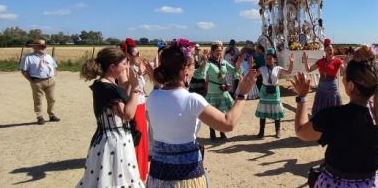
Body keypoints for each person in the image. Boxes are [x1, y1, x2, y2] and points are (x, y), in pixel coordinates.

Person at [145, 40, 257, 188]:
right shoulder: (192, 100)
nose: (194, 69)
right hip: (186, 176)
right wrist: (242, 95)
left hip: (158, 174)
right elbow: (227, 123)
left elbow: (152, 118)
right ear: (184, 69)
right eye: (192, 66)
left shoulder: (152, 97)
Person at [291, 45, 378, 188]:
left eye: (345, 77)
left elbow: (302, 131)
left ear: (351, 86)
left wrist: (302, 97)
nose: (343, 79)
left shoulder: (334, 116)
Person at [76, 47, 144, 188]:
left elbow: (121, 96)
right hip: (114, 142)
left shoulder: (106, 84)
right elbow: (127, 114)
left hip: (112, 138)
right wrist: (136, 88)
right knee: (115, 181)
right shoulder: (106, 88)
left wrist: (131, 83)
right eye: (124, 64)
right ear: (113, 67)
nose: (127, 67)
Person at [117, 38, 149, 181]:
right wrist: (140, 75)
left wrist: (143, 73)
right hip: (134, 107)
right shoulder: (125, 71)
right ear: (128, 56)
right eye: (137, 54)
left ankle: (141, 172)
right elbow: (125, 90)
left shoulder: (135, 68)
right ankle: (134, 174)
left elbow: (141, 87)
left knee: (142, 139)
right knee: (136, 138)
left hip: (141, 105)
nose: (139, 56)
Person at [204, 41, 243, 141]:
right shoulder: (208, 63)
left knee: (222, 113)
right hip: (213, 91)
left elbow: (234, 71)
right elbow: (202, 73)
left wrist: (239, 63)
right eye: (217, 50)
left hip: (223, 90)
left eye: (221, 50)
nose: (219, 52)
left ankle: (222, 132)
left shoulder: (224, 62)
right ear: (212, 51)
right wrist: (204, 61)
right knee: (212, 114)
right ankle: (212, 133)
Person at [255, 48, 294, 138]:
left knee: (276, 111)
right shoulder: (262, 68)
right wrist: (250, 67)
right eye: (267, 58)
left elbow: (288, 72)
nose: (268, 60)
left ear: (274, 59)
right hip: (265, 92)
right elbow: (254, 75)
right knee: (263, 111)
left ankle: (277, 131)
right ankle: (261, 132)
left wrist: (291, 63)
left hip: (275, 92)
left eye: (270, 58)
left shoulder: (278, 68)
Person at [20, 39, 60, 125]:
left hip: (50, 81)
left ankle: (52, 115)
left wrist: (53, 76)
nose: (43, 48)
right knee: (38, 100)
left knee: (52, 99)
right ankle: (40, 116)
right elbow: (23, 71)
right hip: (37, 81)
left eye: (44, 46)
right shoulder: (28, 58)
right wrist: (31, 80)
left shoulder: (49, 57)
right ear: (34, 47)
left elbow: (54, 67)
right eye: (41, 46)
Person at [302, 38, 344, 115]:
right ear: (324, 51)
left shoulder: (338, 61)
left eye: (330, 49)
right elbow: (309, 70)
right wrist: (305, 61)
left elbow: (343, 70)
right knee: (321, 110)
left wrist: (345, 66)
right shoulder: (321, 61)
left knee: (333, 109)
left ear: (333, 49)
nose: (329, 52)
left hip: (332, 86)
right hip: (321, 86)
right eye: (327, 50)